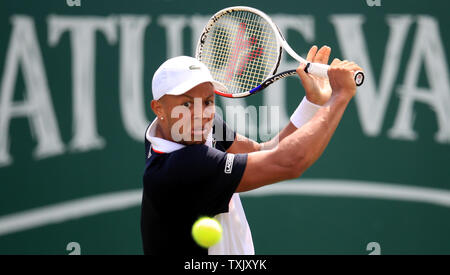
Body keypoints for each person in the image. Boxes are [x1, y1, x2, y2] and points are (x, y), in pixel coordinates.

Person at [140, 46, 363, 255]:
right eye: (187, 104)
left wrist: (313, 102)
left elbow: (264, 150)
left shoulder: (175, 130)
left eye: (208, 101)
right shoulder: (182, 166)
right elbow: (289, 162)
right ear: (158, 108)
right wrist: (339, 97)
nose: (202, 113)